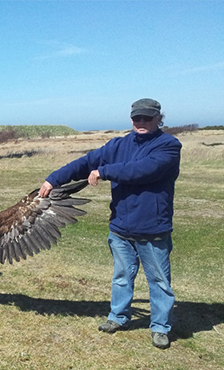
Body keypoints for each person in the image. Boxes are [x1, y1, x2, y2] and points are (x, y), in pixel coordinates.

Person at [39, 98, 181, 349]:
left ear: (159, 118)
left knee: (158, 280)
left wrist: (105, 172)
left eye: (147, 118)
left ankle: (160, 327)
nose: (141, 122)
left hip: (152, 228)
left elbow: (143, 170)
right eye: (137, 118)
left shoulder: (168, 146)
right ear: (131, 119)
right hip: (120, 226)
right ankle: (118, 317)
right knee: (122, 276)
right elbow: (86, 162)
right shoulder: (118, 145)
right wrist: (53, 180)